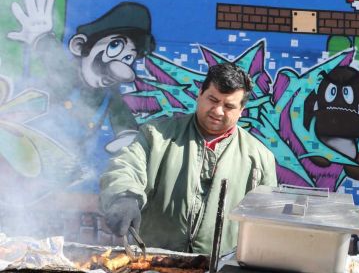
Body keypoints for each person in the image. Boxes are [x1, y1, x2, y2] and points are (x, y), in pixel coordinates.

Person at [99, 62, 277, 254]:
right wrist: (124, 197)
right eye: (213, 100)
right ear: (200, 94)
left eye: (228, 106)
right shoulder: (157, 135)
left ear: (241, 110)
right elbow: (126, 166)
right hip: (153, 260)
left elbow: (266, 222)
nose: (218, 111)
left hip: (220, 267)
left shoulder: (260, 158)